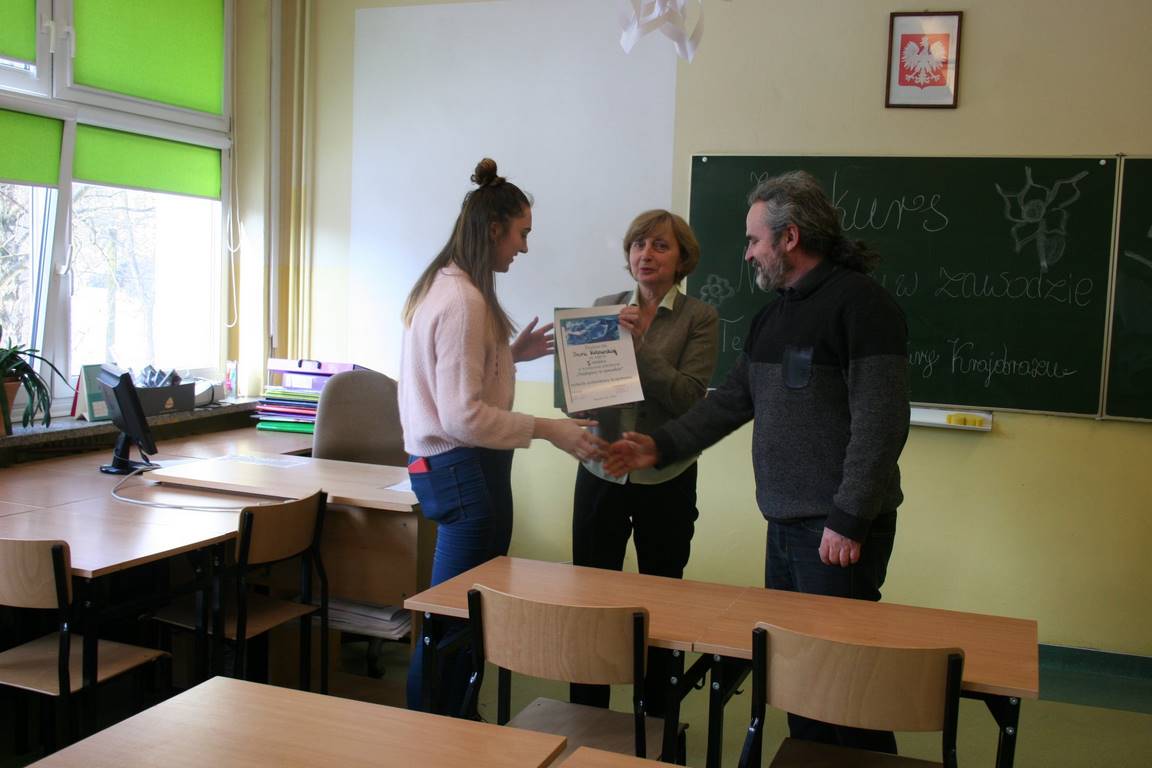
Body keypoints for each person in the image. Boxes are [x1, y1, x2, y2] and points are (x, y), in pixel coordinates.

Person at [604, 170, 910, 753]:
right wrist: (661, 445)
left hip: (835, 533)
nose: (747, 253)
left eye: (753, 240)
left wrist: (849, 518)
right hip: (786, 525)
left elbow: (881, 422)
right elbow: (732, 401)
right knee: (797, 681)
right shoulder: (776, 315)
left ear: (789, 238)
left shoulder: (862, 306)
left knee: (844, 690)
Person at [400, 158, 605, 715]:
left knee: (462, 619)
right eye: (522, 234)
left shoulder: (447, 285)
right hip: (463, 471)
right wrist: (550, 430)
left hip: (454, 471)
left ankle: (456, 727)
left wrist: (509, 356)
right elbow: (462, 417)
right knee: (452, 623)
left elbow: (452, 382)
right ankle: (434, 736)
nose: (525, 247)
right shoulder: (464, 301)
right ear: (495, 230)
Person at [569, 209, 718, 715]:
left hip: (665, 478)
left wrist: (637, 347)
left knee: (662, 604)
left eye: (660, 245)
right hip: (601, 472)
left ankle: (656, 724)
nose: (646, 255)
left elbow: (690, 399)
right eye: (638, 244)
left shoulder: (700, 318)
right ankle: (587, 716)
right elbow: (582, 392)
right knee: (591, 602)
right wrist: (576, 401)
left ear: (682, 258)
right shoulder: (603, 307)